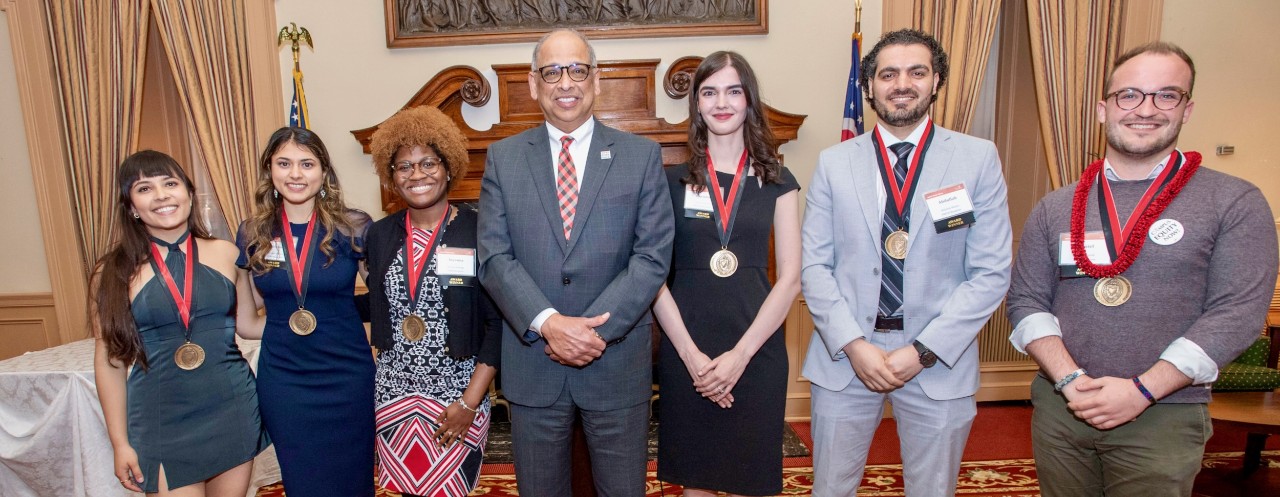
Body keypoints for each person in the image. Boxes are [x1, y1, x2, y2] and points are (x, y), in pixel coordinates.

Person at [1006, 42, 1278, 497]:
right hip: (1061, 410)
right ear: (1103, 108)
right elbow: (1026, 299)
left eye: (1165, 95)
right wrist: (1071, 380)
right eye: (1129, 95)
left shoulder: (1234, 201)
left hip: (1164, 414)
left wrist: (1143, 391)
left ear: (1187, 109)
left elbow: (1237, 313)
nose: (1145, 109)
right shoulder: (1057, 205)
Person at [800, 29, 1012, 497]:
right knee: (830, 489)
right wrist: (855, 346)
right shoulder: (834, 162)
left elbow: (992, 271)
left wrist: (922, 350)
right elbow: (814, 267)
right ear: (870, 87)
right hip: (845, 357)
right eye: (888, 73)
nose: (902, 83)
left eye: (917, 72)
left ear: (936, 81)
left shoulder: (976, 159)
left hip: (938, 357)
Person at [477, 28, 674, 496]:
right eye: (552, 71)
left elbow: (651, 257)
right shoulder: (503, 159)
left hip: (615, 365)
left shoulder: (641, 156)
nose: (566, 82)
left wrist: (590, 333)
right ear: (533, 83)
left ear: (596, 78)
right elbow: (494, 257)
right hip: (534, 367)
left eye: (577, 69)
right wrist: (549, 324)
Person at [652, 51, 800, 497]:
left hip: (756, 352)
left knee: (748, 481)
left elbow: (791, 277)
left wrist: (740, 356)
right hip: (687, 353)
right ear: (696, 104)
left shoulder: (780, 182)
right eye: (709, 92)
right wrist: (692, 357)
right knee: (697, 483)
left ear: (749, 100)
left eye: (733, 91)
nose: (722, 102)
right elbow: (654, 277)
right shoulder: (669, 181)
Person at [91, 150, 269, 496]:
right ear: (130, 206)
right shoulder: (111, 272)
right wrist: (119, 443)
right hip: (162, 421)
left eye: (170, 183)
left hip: (232, 408)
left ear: (189, 193)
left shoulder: (228, 253)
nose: (161, 195)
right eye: (144, 188)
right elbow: (109, 361)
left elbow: (251, 324)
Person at [363, 106, 502, 496]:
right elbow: (381, 307)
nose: (417, 174)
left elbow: (497, 325)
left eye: (428, 162)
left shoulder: (479, 230)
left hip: (457, 397)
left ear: (448, 166)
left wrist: (470, 404)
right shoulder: (380, 234)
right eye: (404, 166)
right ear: (391, 177)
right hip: (393, 394)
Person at [235, 127, 374, 497]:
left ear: (324, 172)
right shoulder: (253, 232)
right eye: (284, 163)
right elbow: (247, 323)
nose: (296, 174)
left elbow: (386, 301)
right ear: (270, 170)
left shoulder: (352, 226)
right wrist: (284, 328)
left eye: (307, 164)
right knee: (303, 481)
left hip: (348, 375)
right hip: (285, 380)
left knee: (353, 479)